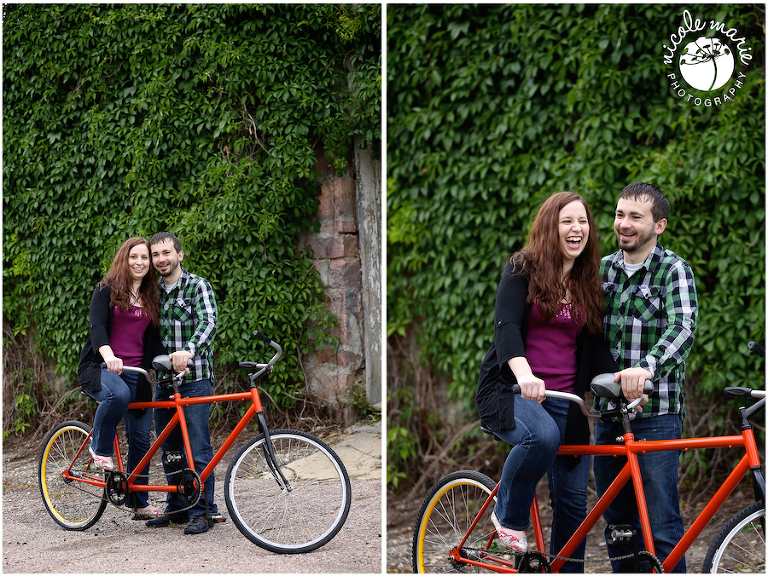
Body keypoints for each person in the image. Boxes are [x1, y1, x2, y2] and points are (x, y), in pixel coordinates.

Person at [476, 192, 619, 572]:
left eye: (583, 222)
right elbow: (506, 327)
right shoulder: (523, 268)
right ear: (549, 226)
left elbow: (596, 345)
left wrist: (619, 378)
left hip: (566, 401)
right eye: (567, 221)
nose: (577, 229)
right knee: (541, 436)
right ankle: (507, 516)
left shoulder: (589, 280)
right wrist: (525, 376)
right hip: (514, 392)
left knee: (573, 504)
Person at [595, 182, 698, 573]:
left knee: (662, 524)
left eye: (636, 216)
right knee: (619, 526)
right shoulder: (602, 269)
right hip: (608, 415)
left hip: (656, 415)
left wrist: (647, 367)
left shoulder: (674, 270)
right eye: (620, 214)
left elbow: (683, 327)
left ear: (659, 225)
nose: (624, 223)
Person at [78, 237, 166, 519]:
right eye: (134, 257)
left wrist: (170, 362)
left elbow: (152, 343)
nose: (139, 262)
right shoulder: (106, 290)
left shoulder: (152, 296)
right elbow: (97, 327)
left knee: (141, 439)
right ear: (124, 259)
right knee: (119, 395)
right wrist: (108, 355)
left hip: (137, 374)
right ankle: (99, 447)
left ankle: (138, 503)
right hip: (103, 367)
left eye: (144, 258)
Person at [145, 232, 220, 535]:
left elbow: (209, 321)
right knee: (171, 450)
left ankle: (203, 512)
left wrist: (188, 351)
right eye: (155, 255)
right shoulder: (151, 291)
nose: (161, 259)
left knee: (198, 449)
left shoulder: (197, 286)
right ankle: (177, 507)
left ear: (180, 254)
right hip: (163, 383)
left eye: (166, 252)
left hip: (194, 380)